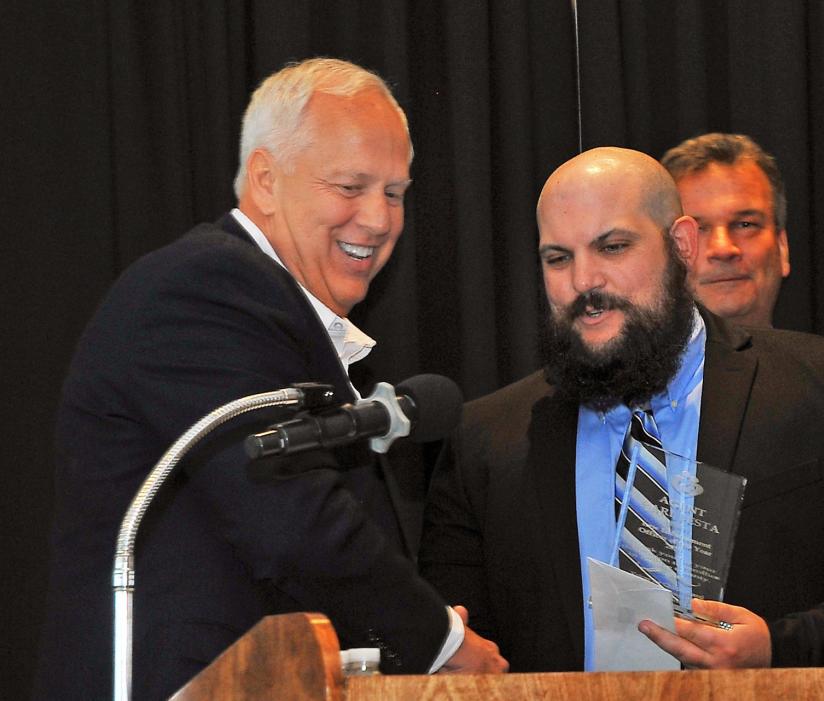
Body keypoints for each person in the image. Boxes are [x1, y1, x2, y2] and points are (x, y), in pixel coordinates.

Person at [35, 58, 506, 701]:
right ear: (264, 181)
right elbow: (291, 520)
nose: (378, 218)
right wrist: (439, 645)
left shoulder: (276, 313)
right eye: (349, 186)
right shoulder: (203, 291)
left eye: (394, 192)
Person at [418, 146, 824, 672]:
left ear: (680, 245)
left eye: (613, 247)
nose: (584, 282)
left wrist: (780, 647)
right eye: (559, 258)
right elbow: (462, 646)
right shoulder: (485, 437)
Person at [662, 132, 824, 429]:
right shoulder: (616, 403)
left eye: (745, 224)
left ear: (783, 247)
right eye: (698, 229)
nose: (723, 248)